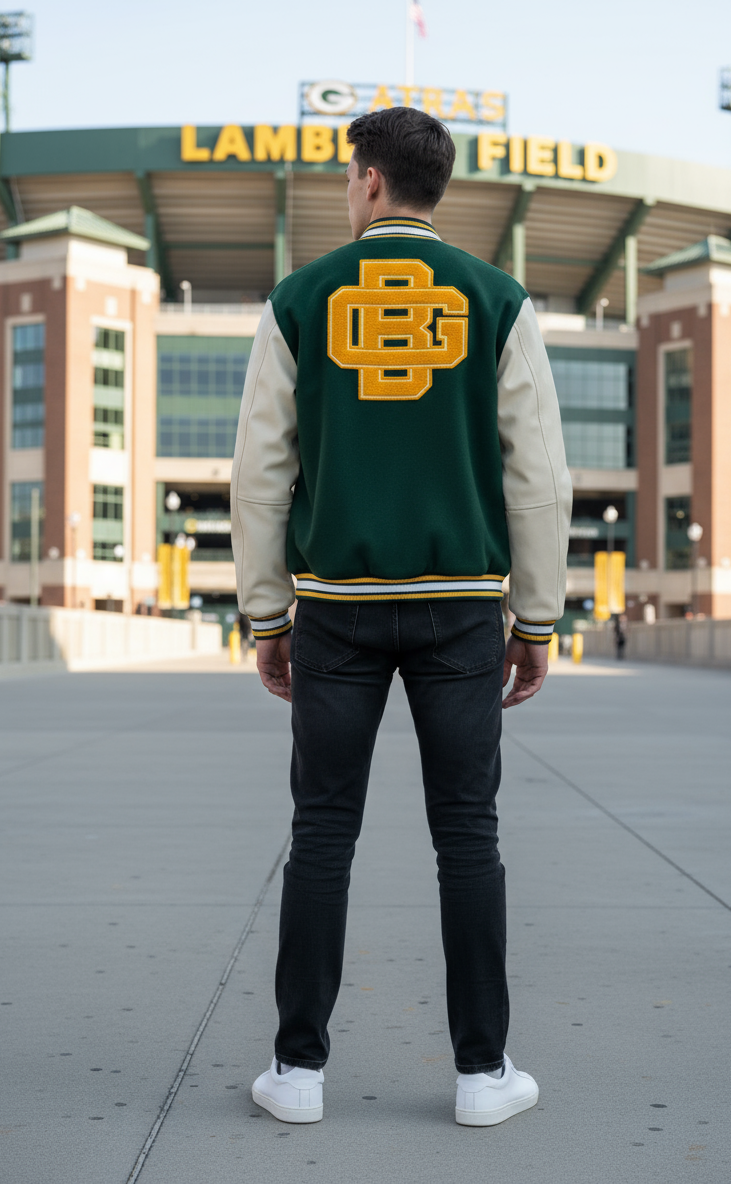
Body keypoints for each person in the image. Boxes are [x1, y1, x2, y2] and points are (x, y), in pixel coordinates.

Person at [231, 106, 571, 1128]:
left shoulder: (298, 301)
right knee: (468, 833)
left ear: (371, 181)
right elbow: (540, 479)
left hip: (335, 605)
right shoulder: (498, 300)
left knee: (322, 831)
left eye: (348, 178)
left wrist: (265, 613)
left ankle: (297, 1071)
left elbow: (261, 471)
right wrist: (539, 620)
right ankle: (482, 1072)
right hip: (462, 609)